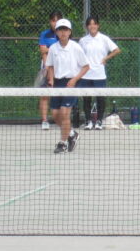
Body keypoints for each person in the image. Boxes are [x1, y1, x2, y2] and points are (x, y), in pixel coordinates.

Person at [45, 18, 89, 154]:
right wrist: (51, 80)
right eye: (60, 30)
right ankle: (71, 134)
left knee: (64, 113)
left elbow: (86, 66)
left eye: (65, 30)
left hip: (72, 83)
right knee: (55, 114)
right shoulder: (53, 48)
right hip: (58, 83)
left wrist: (75, 80)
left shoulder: (76, 47)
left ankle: (62, 143)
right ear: (56, 32)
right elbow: (50, 66)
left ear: (70, 32)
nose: (63, 33)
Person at [78, 16, 121, 130]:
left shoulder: (104, 39)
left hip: (99, 75)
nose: (92, 26)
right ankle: (88, 122)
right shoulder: (83, 41)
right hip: (86, 74)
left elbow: (117, 50)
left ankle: (99, 122)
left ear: (98, 25)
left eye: (94, 24)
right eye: (90, 24)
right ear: (87, 26)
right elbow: (79, 55)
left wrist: (106, 58)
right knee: (87, 98)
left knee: (100, 99)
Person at [37, 11, 62, 130]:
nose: (55, 23)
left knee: (62, 94)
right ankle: (45, 120)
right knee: (45, 95)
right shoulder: (45, 34)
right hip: (47, 68)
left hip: (62, 69)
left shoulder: (64, 34)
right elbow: (43, 51)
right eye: (53, 20)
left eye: (57, 20)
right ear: (50, 22)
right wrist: (47, 67)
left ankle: (62, 120)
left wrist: (49, 49)